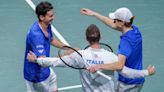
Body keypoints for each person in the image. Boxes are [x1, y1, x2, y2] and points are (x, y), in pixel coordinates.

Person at [27, 24, 155, 92]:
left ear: (86, 38)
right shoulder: (111, 57)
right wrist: (146, 72)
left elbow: (55, 62)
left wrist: (37, 59)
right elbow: (127, 72)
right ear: (100, 37)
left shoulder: (80, 56)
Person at [80, 7, 155, 92]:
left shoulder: (126, 42)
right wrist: (94, 14)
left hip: (127, 84)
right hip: (138, 80)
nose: (114, 22)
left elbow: (119, 65)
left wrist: (98, 66)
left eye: (115, 20)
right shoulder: (135, 30)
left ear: (122, 22)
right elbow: (113, 24)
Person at [24, 1, 66, 92]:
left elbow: (51, 40)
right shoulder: (36, 35)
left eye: (53, 15)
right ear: (42, 17)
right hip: (36, 76)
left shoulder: (47, 25)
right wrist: (64, 56)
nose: (53, 18)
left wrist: (67, 48)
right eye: (50, 16)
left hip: (46, 70)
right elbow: (42, 60)